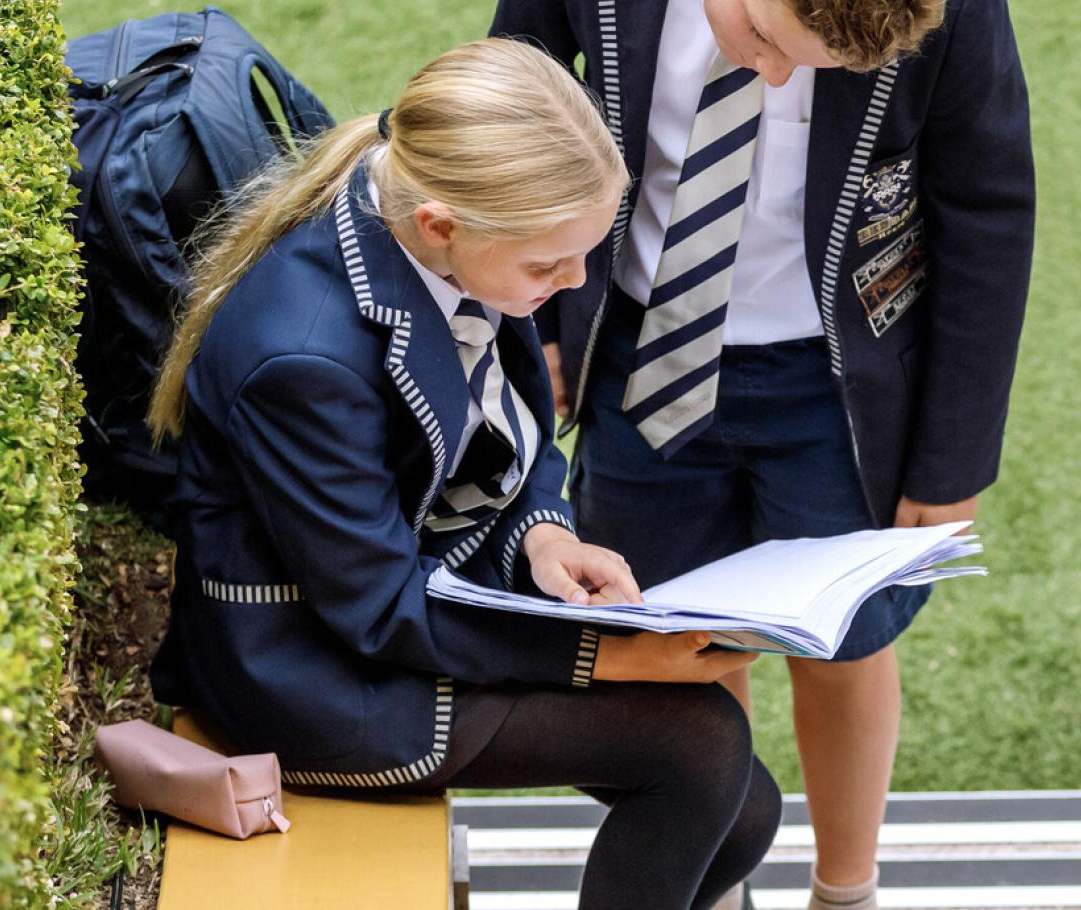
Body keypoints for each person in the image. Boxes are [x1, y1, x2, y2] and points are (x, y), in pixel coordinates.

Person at [146, 39, 782, 910]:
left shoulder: (466, 248)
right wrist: (603, 657)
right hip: (311, 670)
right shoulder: (303, 358)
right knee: (699, 750)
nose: (573, 284)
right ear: (440, 222)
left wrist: (548, 531)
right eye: (549, 265)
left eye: (585, 254)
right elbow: (374, 611)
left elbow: (517, 436)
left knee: (747, 807)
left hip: (421, 598)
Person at [489, 0, 1035, 907]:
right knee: (678, 634)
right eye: (765, 42)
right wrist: (539, 322)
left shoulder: (954, 8)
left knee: (844, 637)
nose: (775, 75)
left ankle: (845, 890)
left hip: (841, 378)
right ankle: (719, 876)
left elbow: (986, 202)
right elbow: (514, 89)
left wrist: (955, 450)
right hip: (642, 351)